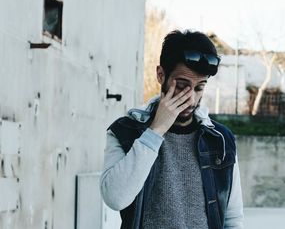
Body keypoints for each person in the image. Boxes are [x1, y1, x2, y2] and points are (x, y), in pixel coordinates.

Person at [100, 30, 244, 229]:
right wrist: (156, 131)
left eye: (199, 88)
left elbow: (233, 219)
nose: (190, 98)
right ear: (161, 75)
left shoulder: (220, 140)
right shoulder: (126, 131)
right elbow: (115, 198)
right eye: (182, 85)